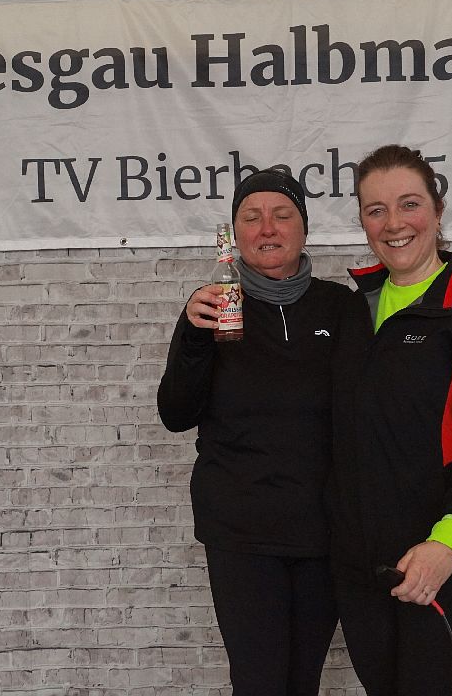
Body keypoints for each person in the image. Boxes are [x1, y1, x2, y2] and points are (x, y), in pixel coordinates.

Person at [329, 144, 452, 695]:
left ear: (438, 211)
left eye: (409, 204)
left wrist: (447, 547)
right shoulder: (353, 314)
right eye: (376, 210)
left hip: (440, 566)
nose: (393, 223)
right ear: (362, 220)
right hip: (360, 569)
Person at [157, 167, 365, 696]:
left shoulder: (341, 307)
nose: (267, 228)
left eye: (282, 215)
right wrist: (193, 335)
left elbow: (364, 414)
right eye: (252, 217)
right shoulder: (213, 309)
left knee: (302, 682)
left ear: (304, 228)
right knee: (259, 683)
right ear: (235, 234)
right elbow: (176, 413)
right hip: (242, 532)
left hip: (322, 531)